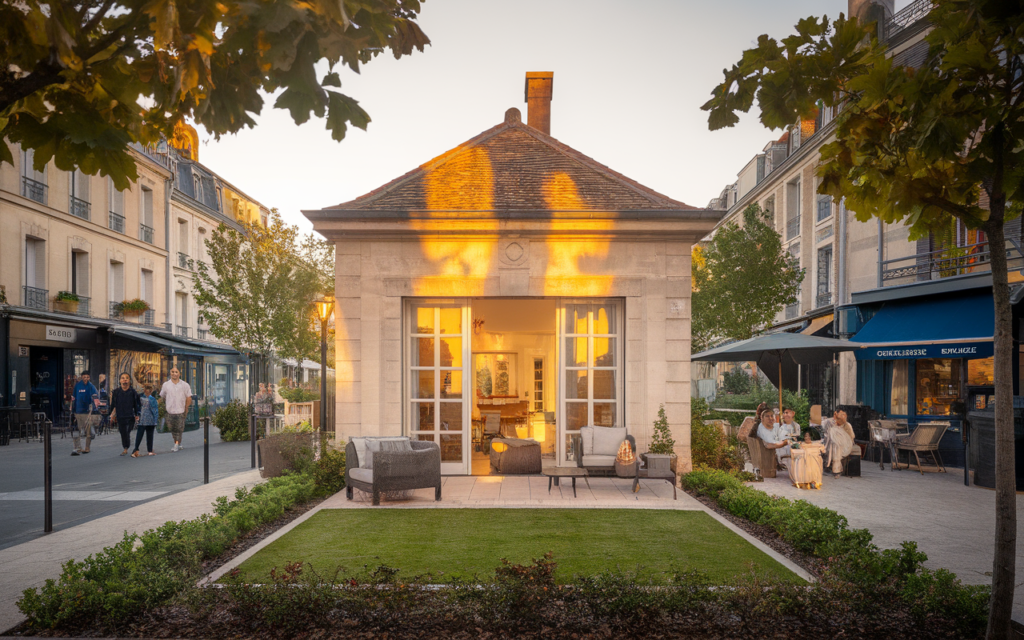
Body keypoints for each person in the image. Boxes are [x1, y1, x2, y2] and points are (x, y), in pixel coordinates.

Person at [160, 367, 192, 452]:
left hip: (180, 410)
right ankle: (179, 443)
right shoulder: (166, 385)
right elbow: (162, 396)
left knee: (179, 428)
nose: (174, 373)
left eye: (176, 372)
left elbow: (189, 397)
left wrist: (186, 407)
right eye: (172, 372)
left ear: (179, 374)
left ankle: (176, 444)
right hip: (170, 411)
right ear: (170, 373)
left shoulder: (185, 385)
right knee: (173, 429)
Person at [110, 373, 141, 456]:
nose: (125, 379)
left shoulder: (133, 392)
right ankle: (125, 448)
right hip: (120, 415)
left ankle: (127, 446)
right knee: (123, 432)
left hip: (130, 416)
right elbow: (113, 404)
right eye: (123, 378)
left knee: (127, 431)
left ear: (129, 381)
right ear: (120, 381)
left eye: (127, 378)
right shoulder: (116, 392)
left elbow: (136, 404)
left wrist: (137, 414)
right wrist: (110, 414)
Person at [821, 409, 856, 478]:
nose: (843, 416)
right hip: (830, 445)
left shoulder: (847, 425)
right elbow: (823, 429)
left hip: (845, 446)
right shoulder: (829, 422)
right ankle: (836, 470)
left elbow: (852, 437)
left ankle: (836, 470)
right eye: (841, 414)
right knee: (836, 445)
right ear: (836, 414)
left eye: (844, 415)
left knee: (837, 447)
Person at [71, 371, 99, 455]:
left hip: (88, 413)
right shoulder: (77, 386)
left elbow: (96, 397)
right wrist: (72, 410)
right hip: (78, 412)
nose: (85, 378)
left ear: (89, 377)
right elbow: (73, 398)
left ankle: (87, 448)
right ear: (81, 377)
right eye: (84, 377)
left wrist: (94, 408)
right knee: (78, 431)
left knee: (88, 432)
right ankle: (78, 448)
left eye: (87, 377)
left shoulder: (91, 387)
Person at [132, 385, 159, 457]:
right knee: (149, 435)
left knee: (140, 435)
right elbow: (155, 410)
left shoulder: (140, 398)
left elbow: (136, 407)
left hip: (143, 419)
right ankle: (149, 450)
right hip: (149, 419)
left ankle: (136, 449)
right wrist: (156, 420)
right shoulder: (152, 399)